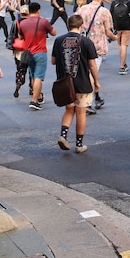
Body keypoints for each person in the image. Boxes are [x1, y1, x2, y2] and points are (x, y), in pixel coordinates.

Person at [53, 15, 100, 154]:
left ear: (68, 25)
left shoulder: (59, 40)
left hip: (66, 84)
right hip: (82, 83)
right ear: (81, 26)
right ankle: (79, 145)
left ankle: (63, 135)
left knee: (69, 110)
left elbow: (53, 61)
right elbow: (92, 64)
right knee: (81, 113)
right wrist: (96, 81)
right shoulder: (86, 41)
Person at [75, 0, 117, 112]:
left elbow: (74, 22)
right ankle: (87, 102)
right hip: (97, 46)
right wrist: (115, 38)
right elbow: (108, 32)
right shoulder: (104, 12)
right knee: (92, 73)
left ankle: (95, 97)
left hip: (82, 43)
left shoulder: (82, 9)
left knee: (85, 71)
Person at [18, 2, 56, 111]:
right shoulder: (43, 21)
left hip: (28, 53)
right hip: (40, 52)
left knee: (33, 76)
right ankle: (34, 101)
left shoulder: (23, 23)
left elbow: (20, 36)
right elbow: (54, 32)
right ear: (39, 11)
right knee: (38, 77)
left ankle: (38, 96)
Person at [110, 0, 130, 75]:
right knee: (124, 45)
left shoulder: (114, 2)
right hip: (127, 27)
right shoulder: (128, 3)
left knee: (120, 45)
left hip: (117, 27)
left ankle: (123, 63)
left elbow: (111, 15)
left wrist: (113, 27)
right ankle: (122, 66)